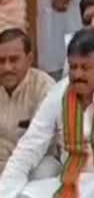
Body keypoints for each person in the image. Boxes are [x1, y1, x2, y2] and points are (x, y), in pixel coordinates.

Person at [0, 29, 94, 197]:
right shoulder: (59, 93)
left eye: (85, 67)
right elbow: (30, 145)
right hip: (71, 180)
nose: (77, 74)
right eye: (73, 67)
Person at [0, 29, 56, 177]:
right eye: (1, 61)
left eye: (13, 60)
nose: (7, 68)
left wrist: (10, 173)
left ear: (29, 59)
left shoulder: (44, 88)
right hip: (2, 165)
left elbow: (40, 143)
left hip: (34, 164)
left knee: (45, 171)